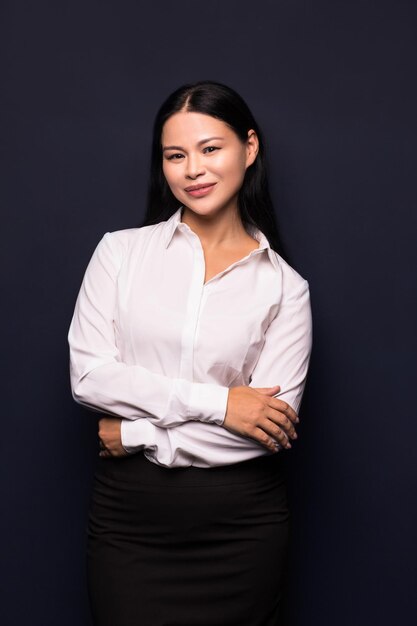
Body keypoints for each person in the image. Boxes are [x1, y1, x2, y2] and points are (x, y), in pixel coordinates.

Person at [68, 80, 312, 626]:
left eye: (210, 149)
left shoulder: (285, 288)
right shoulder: (119, 253)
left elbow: (269, 428)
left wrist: (134, 432)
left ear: (249, 148)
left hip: (241, 530)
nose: (192, 169)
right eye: (175, 156)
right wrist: (224, 404)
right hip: (129, 526)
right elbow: (89, 378)